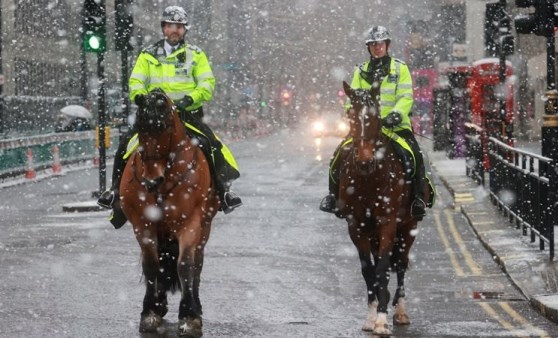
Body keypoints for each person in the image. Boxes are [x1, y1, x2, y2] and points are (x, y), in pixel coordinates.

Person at [97, 5, 242, 227]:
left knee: (211, 144)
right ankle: (114, 191)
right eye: (171, 25)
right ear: (164, 28)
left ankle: (223, 192)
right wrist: (140, 97)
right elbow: (136, 80)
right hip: (153, 115)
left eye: (179, 26)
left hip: (186, 114)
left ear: (184, 30)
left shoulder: (196, 54)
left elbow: (207, 84)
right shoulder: (147, 54)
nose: (175, 30)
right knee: (125, 145)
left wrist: (189, 99)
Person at [319, 25, 427, 220]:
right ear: (369, 47)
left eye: (381, 44)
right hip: (366, 128)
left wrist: (395, 114)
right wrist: (352, 114)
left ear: (387, 45)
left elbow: (405, 96)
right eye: (374, 45)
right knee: (338, 155)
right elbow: (351, 100)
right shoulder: (360, 71)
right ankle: (333, 197)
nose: (378, 48)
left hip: (395, 126)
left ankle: (418, 198)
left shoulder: (400, 68)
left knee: (414, 155)